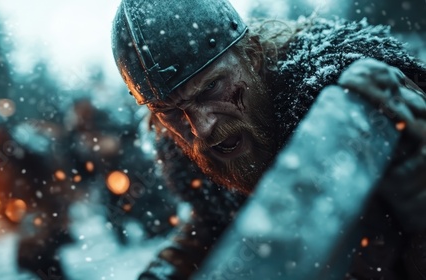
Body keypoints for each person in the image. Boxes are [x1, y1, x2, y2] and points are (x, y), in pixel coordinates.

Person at [111, 0, 426, 279]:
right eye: (171, 111)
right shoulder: (193, 163)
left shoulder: (357, 98)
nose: (203, 129)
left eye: (211, 88)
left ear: (254, 56)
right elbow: (220, 218)